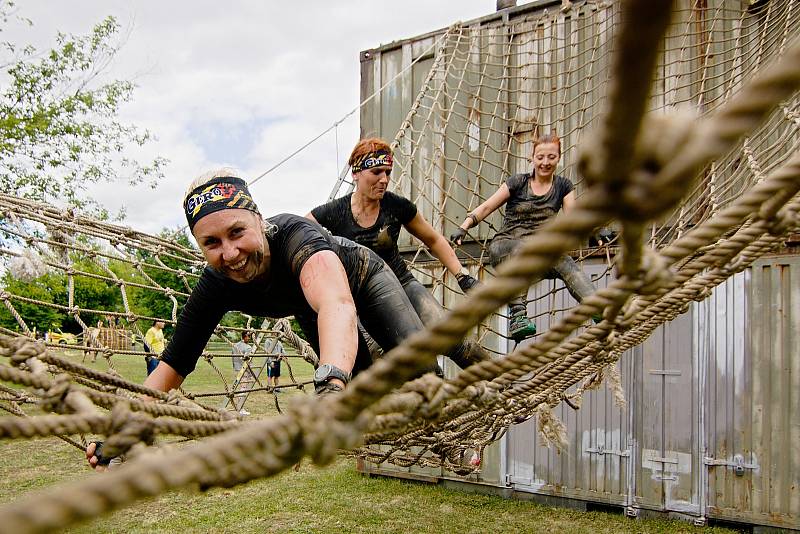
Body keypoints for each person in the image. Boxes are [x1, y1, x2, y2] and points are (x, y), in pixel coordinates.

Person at [308, 138, 491, 369]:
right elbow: (300, 234)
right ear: (356, 173)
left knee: (450, 339)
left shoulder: (396, 206)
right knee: (378, 357)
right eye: (376, 172)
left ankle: (500, 384)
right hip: (359, 296)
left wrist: (462, 275)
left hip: (401, 282)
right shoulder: (334, 212)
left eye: (387, 172)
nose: (384, 179)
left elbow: (434, 239)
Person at [450, 131, 597, 342]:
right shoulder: (518, 182)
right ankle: (517, 315)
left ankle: (597, 307)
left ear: (559, 157)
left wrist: (596, 230)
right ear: (532, 157)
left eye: (551, 157)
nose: (545, 162)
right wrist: (464, 227)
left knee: (564, 261)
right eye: (540, 157)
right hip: (505, 248)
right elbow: (488, 206)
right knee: (524, 248)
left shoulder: (563, 186)